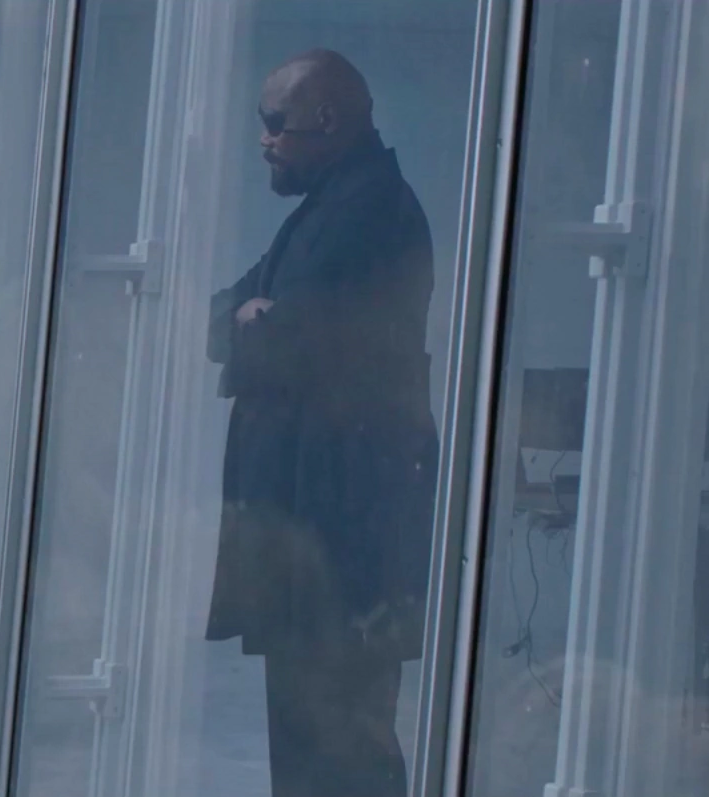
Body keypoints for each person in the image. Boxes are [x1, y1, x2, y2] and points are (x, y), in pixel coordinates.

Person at [205, 49, 441, 797]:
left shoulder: (369, 211)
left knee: (341, 749)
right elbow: (222, 316)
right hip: (318, 534)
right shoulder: (329, 209)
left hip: (342, 538)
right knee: (316, 745)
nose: (264, 140)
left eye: (275, 123)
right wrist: (250, 317)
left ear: (327, 119)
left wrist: (261, 322)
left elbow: (285, 343)